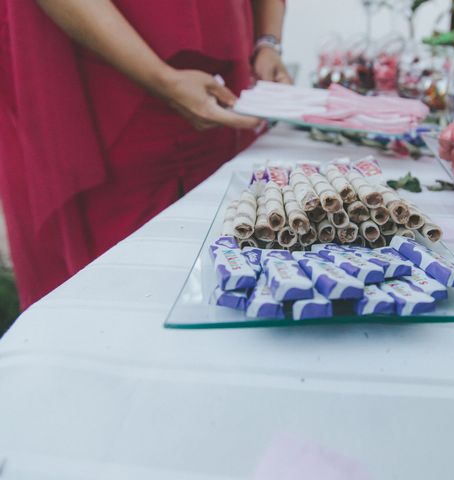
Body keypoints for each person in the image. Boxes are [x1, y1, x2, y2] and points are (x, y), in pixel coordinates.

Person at [0, 0, 291, 309]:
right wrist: (160, 78)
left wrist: (267, 41)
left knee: (232, 264)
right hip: (108, 85)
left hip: (224, 80)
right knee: (121, 292)